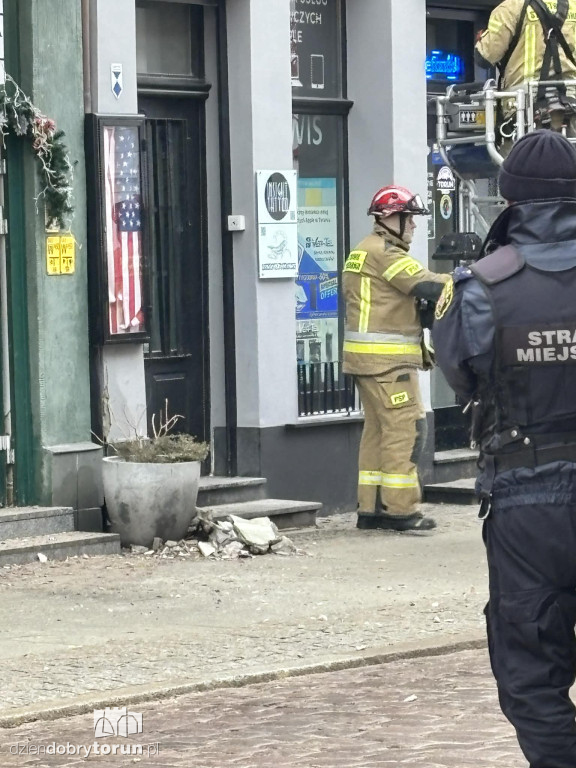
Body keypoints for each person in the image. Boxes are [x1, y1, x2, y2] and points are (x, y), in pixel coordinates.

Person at [432, 130, 576, 768]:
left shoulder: (482, 288)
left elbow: (462, 375)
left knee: (530, 670)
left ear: (509, 199)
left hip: (527, 494)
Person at [342, 185, 450, 532]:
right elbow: (427, 285)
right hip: (388, 363)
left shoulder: (362, 250)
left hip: (366, 362)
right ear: (390, 218)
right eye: (410, 219)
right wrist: (468, 278)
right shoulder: (385, 253)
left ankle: (371, 509)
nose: (414, 227)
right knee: (407, 429)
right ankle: (401, 510)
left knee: (377, 432)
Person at [475, 0, 576, 134]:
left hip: (524, 108)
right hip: (571, 105)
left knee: (520, 153)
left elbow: (485, 58)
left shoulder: (510, 8)